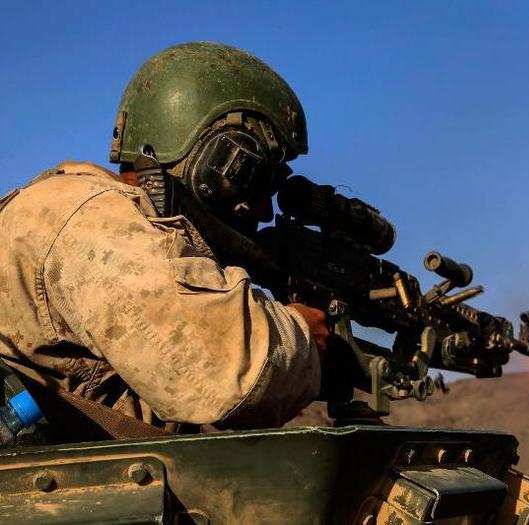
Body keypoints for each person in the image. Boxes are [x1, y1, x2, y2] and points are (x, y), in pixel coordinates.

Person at [0, 42, 330, 438]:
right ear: (215, 163)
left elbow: (127, 408)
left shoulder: (90, 213)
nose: (265, 213)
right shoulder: (92, 219)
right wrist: (305, 338)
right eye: (260, 183)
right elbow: (226, 374)